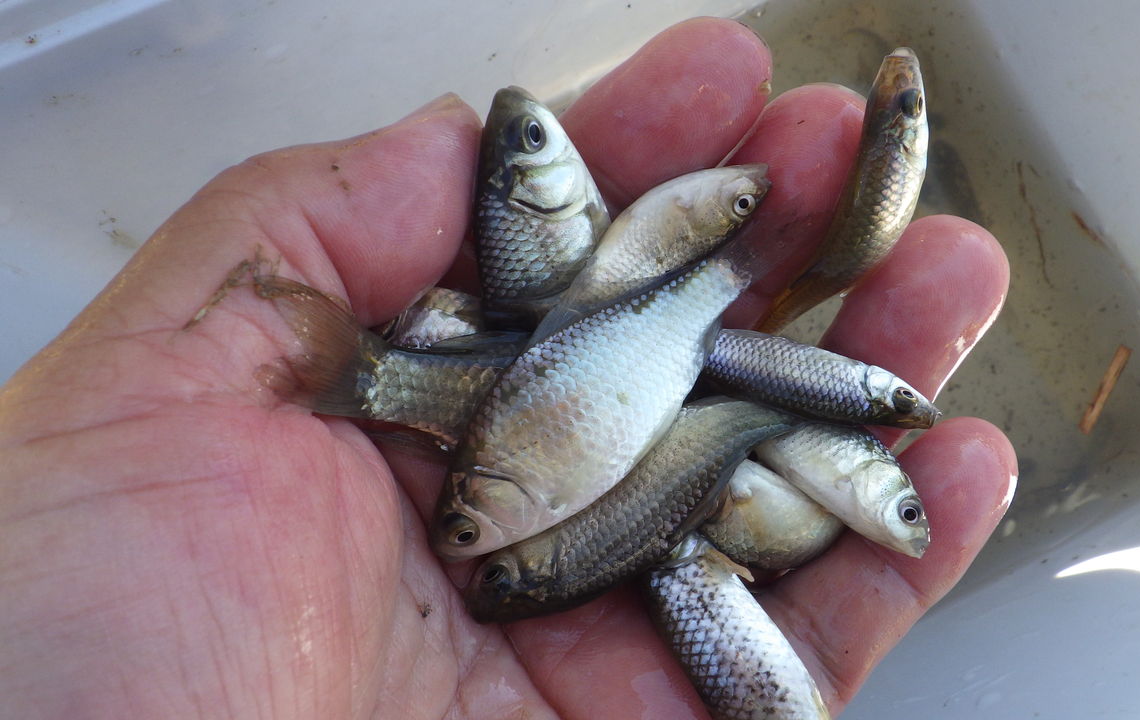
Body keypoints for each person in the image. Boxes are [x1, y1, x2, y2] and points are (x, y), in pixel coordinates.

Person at [0, 17, 1016, 720]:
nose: (465, 544)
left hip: (633, 376)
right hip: (642, 380)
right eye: (468, 530)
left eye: (464, 529)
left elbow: (570, 412)